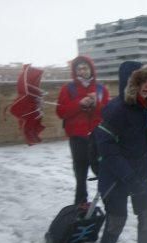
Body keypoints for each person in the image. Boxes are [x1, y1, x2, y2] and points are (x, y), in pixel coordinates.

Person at [93, 61, 147, 243]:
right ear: (130, 82)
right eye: (141, 80)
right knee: (117, 218)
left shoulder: (143, 108)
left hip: (138, 176)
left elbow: (144, 148)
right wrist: (128, 175)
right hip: (115, 177)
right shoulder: (116, 109)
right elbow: (106, 147)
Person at [56, 56, 109, 205]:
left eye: (85, 68)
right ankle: (81, 203)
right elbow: (61, 112)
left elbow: (107, 112)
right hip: (78, 137)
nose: (82, 71)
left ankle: (108, 199)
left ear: (91, 69)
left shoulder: (100, 89)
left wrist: (96, 104)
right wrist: (79, 103)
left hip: (97, 136)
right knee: (80, 174)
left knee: (102, 171)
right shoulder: (68, 89)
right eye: (79, 68)